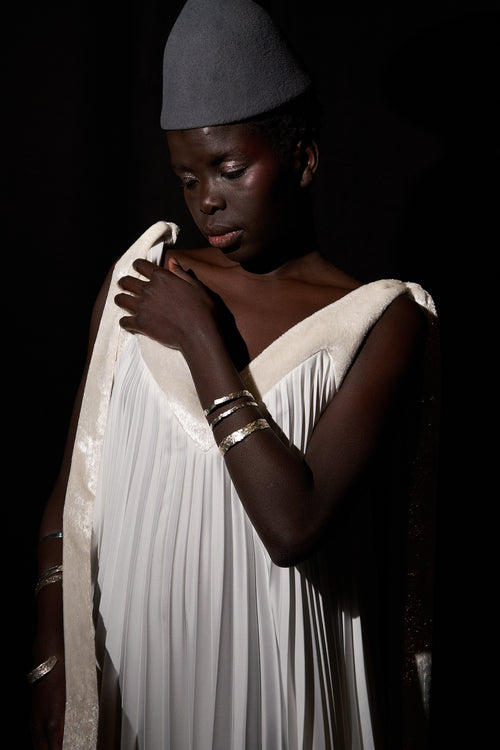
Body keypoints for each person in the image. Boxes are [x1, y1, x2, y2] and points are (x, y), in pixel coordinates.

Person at [29, 1, 438, 748]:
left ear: (303, 160)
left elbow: (294, 525)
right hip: (140, 681)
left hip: (279, 686)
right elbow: (69, 497)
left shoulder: (381, 321)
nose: (206, 199)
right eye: (187, 177)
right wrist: (52, 663)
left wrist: (202, 340)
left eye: (230, 169)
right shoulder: (142, 280)